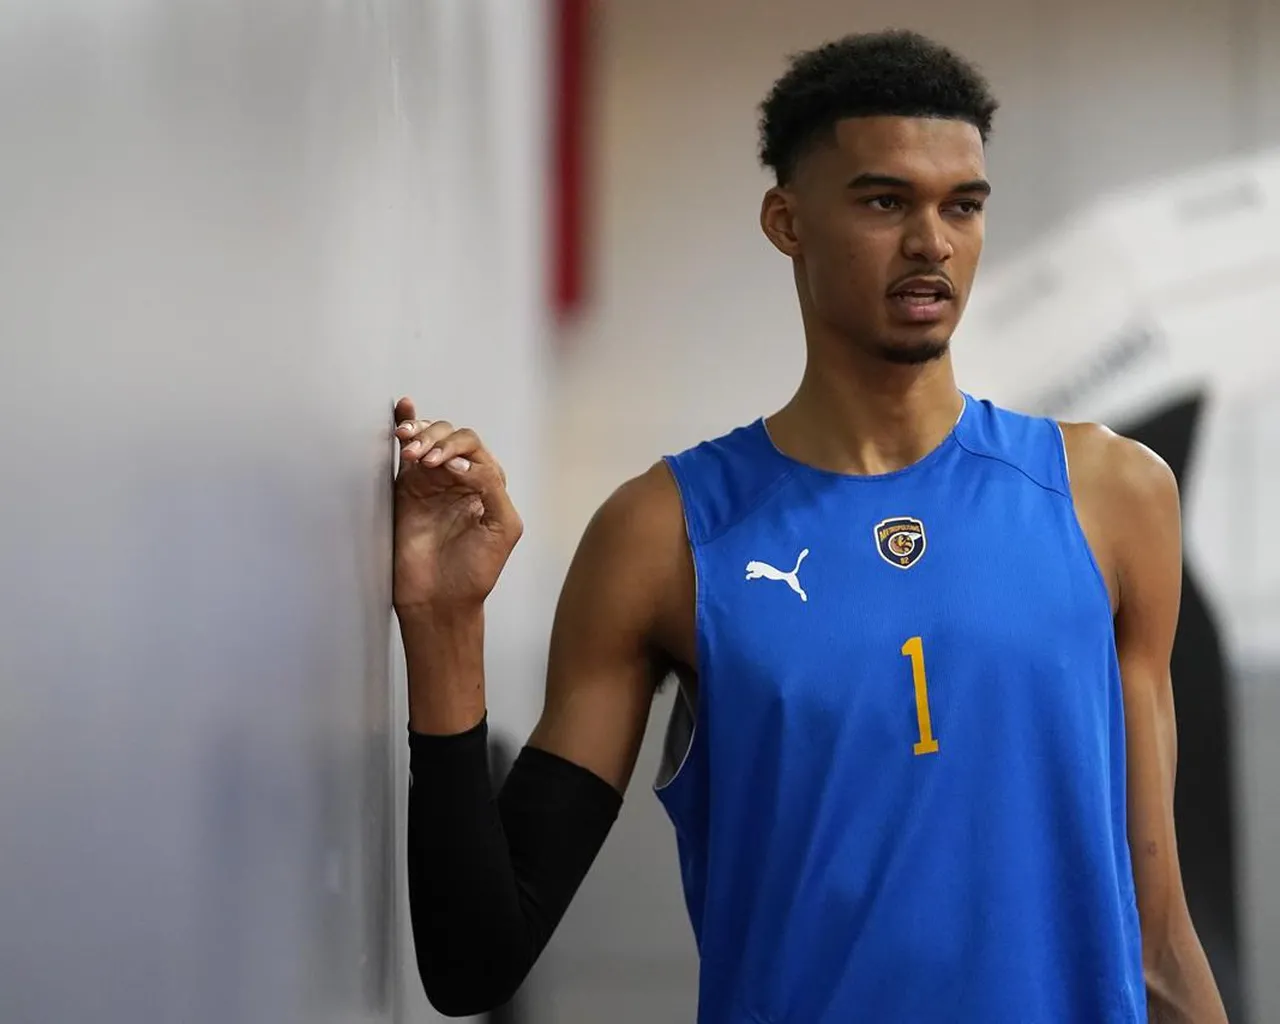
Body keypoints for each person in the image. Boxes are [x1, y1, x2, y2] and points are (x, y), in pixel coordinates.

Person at [394, 29, 1228, 1023]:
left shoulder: (1111, 497)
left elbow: (1157, 939)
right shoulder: (664, 535)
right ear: (785, 221)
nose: (932, 243)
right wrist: (443, 625)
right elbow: (473, 960)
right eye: (885, 202)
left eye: (962, 205)